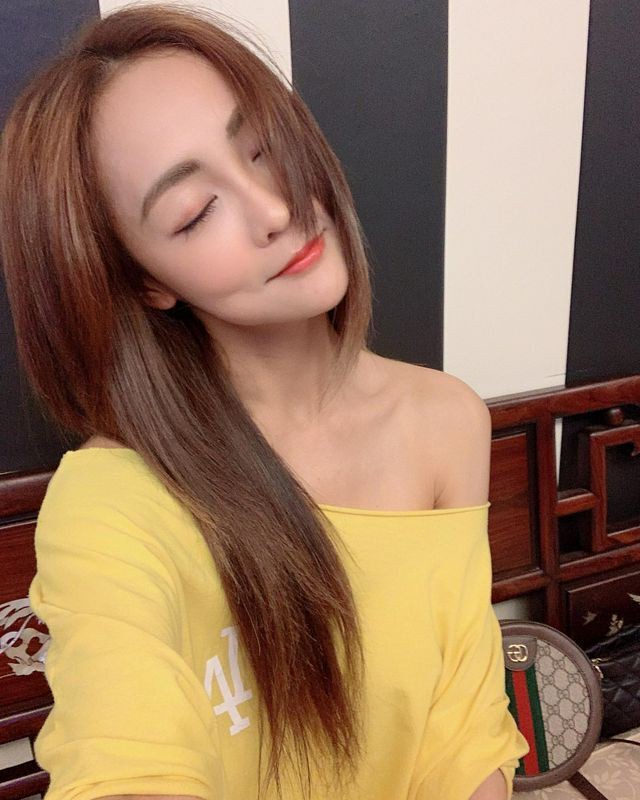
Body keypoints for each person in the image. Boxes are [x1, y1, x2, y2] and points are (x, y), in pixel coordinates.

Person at [0, 4, 529, 800]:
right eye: (195, 211)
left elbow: (462, 729)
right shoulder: (111, 506)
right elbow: (124, 760)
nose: (276, 210)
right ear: (146, 281)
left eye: (262, 148)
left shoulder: (448, 419)